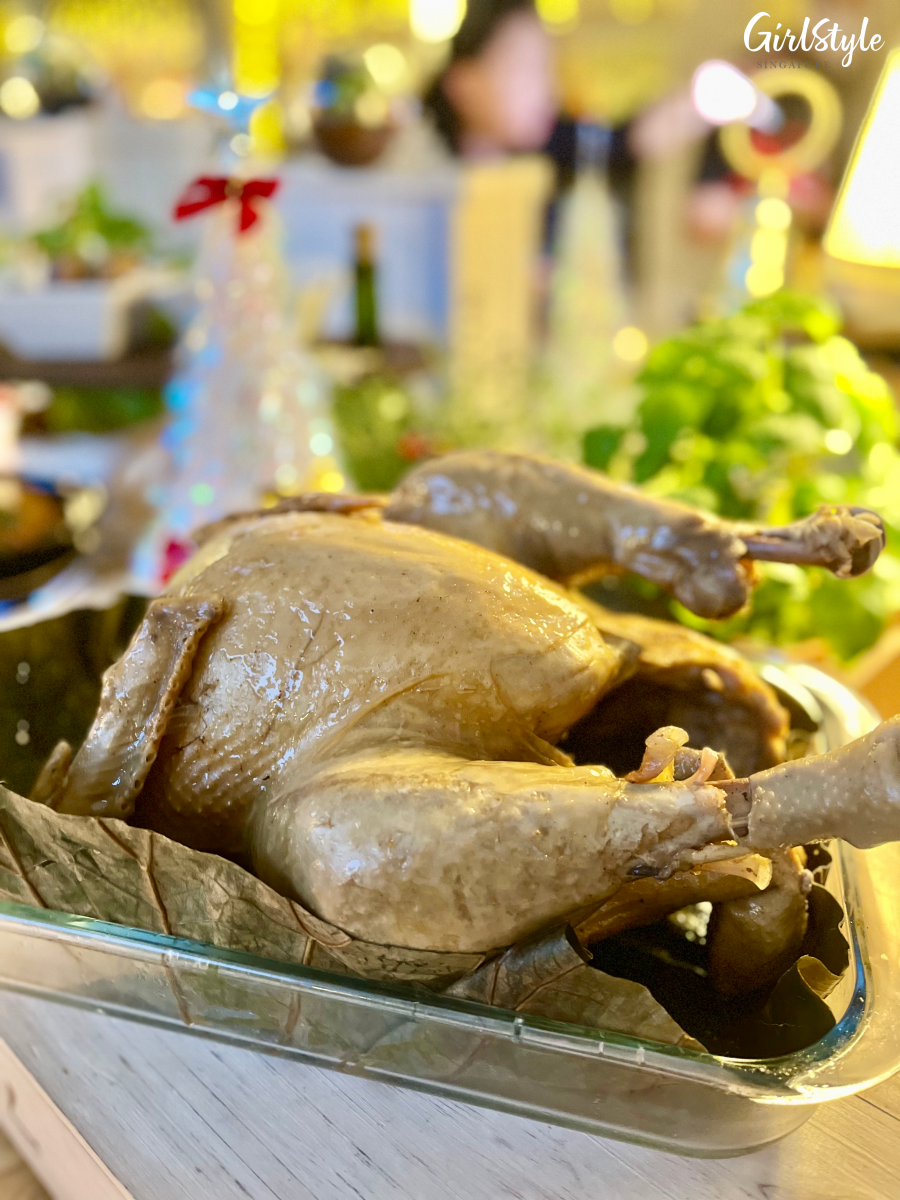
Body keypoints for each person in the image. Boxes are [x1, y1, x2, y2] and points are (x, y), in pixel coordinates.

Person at [423, 0, 558, 160]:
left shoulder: (531, 175)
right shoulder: (416, 177)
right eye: (528, 69)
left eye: (548, 71)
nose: (549, 91)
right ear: (463, 83)